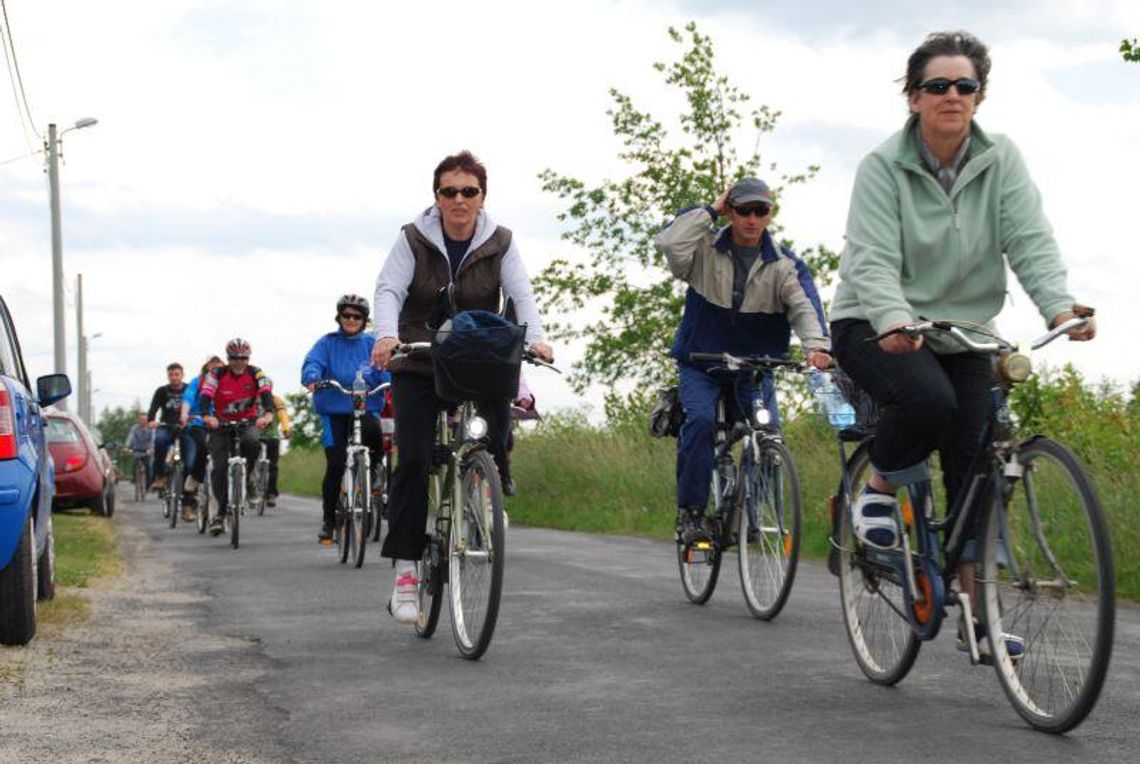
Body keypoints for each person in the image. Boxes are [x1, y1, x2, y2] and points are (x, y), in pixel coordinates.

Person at [827, 31, 1095, 658]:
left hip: (964, 330)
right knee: (929, 402)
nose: (952, 95)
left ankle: (978, 617)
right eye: (938, 85)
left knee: (973, 465)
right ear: (914, 97)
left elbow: (1029, 239)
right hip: (873, 320)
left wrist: (1059, 306)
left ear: (979, 96)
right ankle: (877, 493)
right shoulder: (882, 166)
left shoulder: (1001, 160)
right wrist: (893, 319)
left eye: (965, 85)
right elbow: (871, 257)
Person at [372, 150, 552, 624]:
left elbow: (521, 292)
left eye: (468, 191)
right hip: (418, 357)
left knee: (491, 427)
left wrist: (535, 339)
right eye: (449, 191)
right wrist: (387, 335)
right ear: (437, 197)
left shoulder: (500, 241)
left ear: (482, 197)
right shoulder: (413, 238)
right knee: (413, 458)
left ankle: (486, 482)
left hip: (476, 352)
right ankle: (406, 571)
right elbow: (389, 290)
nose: (459, 199)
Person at [655, 177, 831, 544]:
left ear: (770, 215)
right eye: (743, 210)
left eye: (760, 211)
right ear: (731, 212)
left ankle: (758, 517)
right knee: (701, 422)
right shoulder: (703, 250)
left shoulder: (786, 265)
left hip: (754, 369)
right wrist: (710, 210)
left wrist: (816, 347)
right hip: (701, 362)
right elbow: (669, 242)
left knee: (769, 434)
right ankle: (691, 513)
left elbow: (805, 308)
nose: (752, 219)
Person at [301, 295, 389, 544]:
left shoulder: (373, 343)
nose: (351, 320)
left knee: (375, 431)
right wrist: (313, 377)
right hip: (334, 409)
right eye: (346, 315)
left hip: (365, 407)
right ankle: (329, 522)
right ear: (339, 317)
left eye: (357, 316)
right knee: (336, 464)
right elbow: (313, 363)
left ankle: (375, 473)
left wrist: (391, 381)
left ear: (364, 320)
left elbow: (386, 367)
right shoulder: (327, 343)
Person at [200, 338, 275, 536]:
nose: (239, 362)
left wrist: (268, 413)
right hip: (221, 424)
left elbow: (266, 392)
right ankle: (219, 514)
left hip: (247, 422)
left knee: (252, 441)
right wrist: (207, 415)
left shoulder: (256, 373)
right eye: (234, 358)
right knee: (219, 469)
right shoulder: (216, 373)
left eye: (243, 358)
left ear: (248, 358)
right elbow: (206, 394)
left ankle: (250, 477)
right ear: (228, 358)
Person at [180, 355, 224, 514]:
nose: (216, 369)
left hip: (219, 424)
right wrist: (184, 414)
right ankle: (190, 492)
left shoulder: (225, 382)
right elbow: (188, 398)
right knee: (196, 454)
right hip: (197, 422)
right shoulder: (197, 382)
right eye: (213, 366)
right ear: (206, 367)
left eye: (219, 366)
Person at [147, 362, 195, 499]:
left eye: (176, 374)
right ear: (168, 376)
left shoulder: (190, 389)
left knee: (190, 461)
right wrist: (151, 420)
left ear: (182, 375)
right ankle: (160, 476)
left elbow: (196, 405)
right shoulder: (162, 391)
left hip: (186, 428)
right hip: (166, 426)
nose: (174, 377)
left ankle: (189, 492)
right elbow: (153, 407)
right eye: (171, 375)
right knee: (159, 440)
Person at [259, 393, 292, 508]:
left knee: (273, 466)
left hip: (272, 436)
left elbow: (283, 415)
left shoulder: (276, 400)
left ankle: (271, 493)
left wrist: (286, 429)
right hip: (255, 436)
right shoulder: (252, 397)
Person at [125, 412, 155, 486]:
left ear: (147, 420)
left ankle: (149, 483)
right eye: (141, 419)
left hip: (147, 451)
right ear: (139, 420)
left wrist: (151, 448)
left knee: (149, 465)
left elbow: (153, 440)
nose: (143, 421)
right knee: (135, 462)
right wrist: (127, 447)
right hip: (137, 450)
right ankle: (134, 478)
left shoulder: (151, 429)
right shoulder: (134, 428)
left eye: (144, 419)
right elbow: (130, 437)